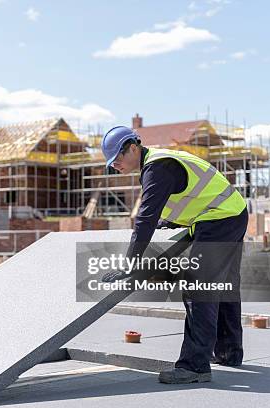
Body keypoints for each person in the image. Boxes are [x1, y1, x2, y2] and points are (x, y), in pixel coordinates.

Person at [100, 125, 248, 384]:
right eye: (111, 163)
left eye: (118, 158)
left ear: (133, 147)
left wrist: (129, 265)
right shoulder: (160, 164)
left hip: (219, 220)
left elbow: (145, 219)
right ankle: (228, 352)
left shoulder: (158, 167)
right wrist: (175, 223)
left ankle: (194, 367)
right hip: (230, 214)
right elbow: (192, 197)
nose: (115, 165)